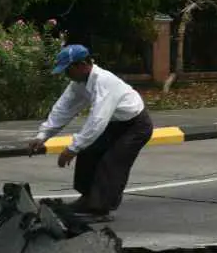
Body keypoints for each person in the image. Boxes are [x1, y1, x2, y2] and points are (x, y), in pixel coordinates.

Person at [28, 45, 152, 222]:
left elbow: (97, 120)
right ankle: (88, 199)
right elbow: (63, 109)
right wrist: (42, 135)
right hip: (114, 124)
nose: (66, 75)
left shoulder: (104, 82)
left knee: (112, 162)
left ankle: (100, 209)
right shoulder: (78, 83)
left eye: (68, 70)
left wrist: (72, 148)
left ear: (82, 65)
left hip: (135, 126)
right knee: (88, 152)